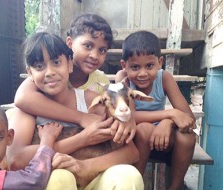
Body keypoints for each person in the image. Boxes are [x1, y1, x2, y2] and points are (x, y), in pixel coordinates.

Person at [6, 32, 144, 190]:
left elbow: (131, 153)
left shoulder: (91, 101)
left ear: (70, 64)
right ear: (30, 73)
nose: (50, 72)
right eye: (40, 66)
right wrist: (81, 139)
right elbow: (16, 160)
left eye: (57, 62)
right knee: (59, 178)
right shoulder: (28, 111)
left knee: (129, 177)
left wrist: (85, 166)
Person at [14, 14, 135, 145]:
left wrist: (128, 119)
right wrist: (81, 118)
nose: (94, 55)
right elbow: (22, 98)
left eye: (102, 50)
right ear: (70, 43)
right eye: (88, 46)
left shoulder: (101, 82)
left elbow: (115, 108)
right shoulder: (51, 76)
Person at [115, 31, 197, 190]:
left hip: (162, 139)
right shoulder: (123, 80)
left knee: (188, 137)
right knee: (144, 129)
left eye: (149, 66)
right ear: (123, 66)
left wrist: (168, 122)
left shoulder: (164, 78)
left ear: (160, 62)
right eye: (135, 67)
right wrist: (169, 114)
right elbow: (129, 116)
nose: (142, 73)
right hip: (135, 141)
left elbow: (188, 118)